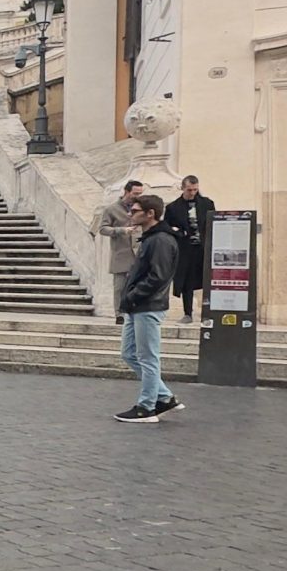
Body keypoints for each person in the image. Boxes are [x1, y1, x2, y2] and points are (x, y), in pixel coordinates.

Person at [114, 194, 181, 423]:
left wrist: (133, 296)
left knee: (147, 357)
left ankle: (147, 407)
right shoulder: (151, 238)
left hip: (148, 306)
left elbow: (157, 276)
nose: (130, 214)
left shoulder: (160, 240)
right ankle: (164, 397)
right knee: (129, 353)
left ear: (150, 213)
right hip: (137, 306)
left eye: (135, 211)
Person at [162, 175, 215, 322]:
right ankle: (188, 313)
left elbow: (213, 222)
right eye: (189, 190)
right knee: (187, 281)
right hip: (185, 249)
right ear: (183, 188)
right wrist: (179, 232)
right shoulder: (173, 207)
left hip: (204, 248)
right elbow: (167, 227)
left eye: (195, 190)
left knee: (208, 280)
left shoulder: (207, 203)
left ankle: (208, 313)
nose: (192, 193)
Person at [97, 179, 146, 290]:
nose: (138, 197)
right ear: (126, 192)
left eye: (140, 194)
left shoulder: (143, 208)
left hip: (140, 257)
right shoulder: (111, 209)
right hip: (121, 257)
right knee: (120, 290)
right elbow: (103, 229)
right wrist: (121, 230)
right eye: (135, 193)